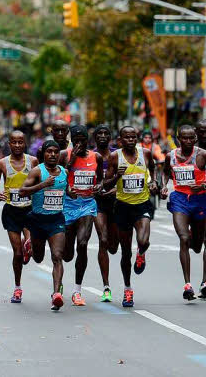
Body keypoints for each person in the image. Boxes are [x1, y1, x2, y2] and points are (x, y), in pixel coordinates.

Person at [160, 124, 206, 301]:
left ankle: (204, 282)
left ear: (195, 139)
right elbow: (166, 173)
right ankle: (188, 285)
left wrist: (204, 185)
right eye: (183, 138)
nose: (187, 141)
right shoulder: (171, 156)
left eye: (190, 138)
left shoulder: (204, 155)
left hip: (201, 200)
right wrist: (164, 186)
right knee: (184, 238)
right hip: (179, 199)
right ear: (178, 139)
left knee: (197, 245)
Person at [100, 125, 158, 308]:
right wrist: (116, 176)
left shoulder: (146, 153)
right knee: (125, 253)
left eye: (134, 137)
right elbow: (105, 182)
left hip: (141, 204)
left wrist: (155, 182)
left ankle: (141, 253)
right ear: (120, 140)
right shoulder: (115, 157)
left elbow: (154, 171)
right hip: (122, 207)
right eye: (127, 137)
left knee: (143, 241)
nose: (131, 140)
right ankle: (128, 289)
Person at [18, 139, 68, 310]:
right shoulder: (37, 172)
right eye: (49, 152)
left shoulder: (64, 173)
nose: (53, 155)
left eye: (56, 152)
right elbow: (22, 191)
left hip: (56, 220)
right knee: (38, 258)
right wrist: (43, 185)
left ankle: (56, 294)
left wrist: (74, 194)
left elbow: (68, 192)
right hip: (38, 221)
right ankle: (30, 244)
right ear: (44, 154)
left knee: (57, 256)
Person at [59, 125, 102, 306]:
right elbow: (59, 177)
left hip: (87, 204)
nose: (79, 144)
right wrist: (72, 160)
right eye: (75, 141)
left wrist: (99, 185)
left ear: (87, 140)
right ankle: (59, 282)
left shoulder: (96, 157)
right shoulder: (64, 155)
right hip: (68, 205)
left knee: (83, 244)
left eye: (82, 140)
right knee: (67, 254)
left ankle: (77, 290)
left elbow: (100, 178)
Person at [0, 130, 34, 303]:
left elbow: (38, 183)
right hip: (11, 212)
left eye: (20, 142)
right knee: (17, 253)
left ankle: (27, 245)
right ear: (9, 144)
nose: (17, 145)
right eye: (14, 142)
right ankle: (17, 288)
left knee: (29, 247)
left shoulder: (33, 162)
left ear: (25, 143)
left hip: (29, 211)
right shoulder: (2, 164)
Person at [92, 123, 119, 303]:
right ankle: (106, 286)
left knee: (113, 247)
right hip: (97, 203)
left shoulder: (118, 155)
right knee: (102, 240)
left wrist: (115, 189)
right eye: (99, 133)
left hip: (116, 203)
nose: (102, 136)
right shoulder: (90, 156)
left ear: (110, 137)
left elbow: (129, 176)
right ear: (94, 137)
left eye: (105, 133)